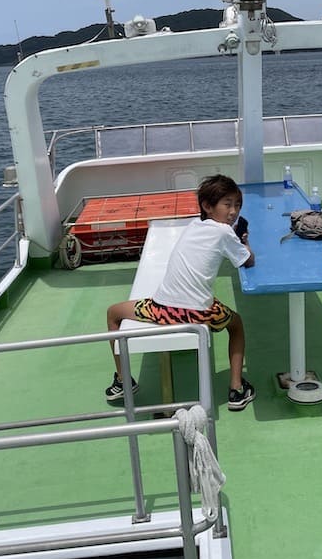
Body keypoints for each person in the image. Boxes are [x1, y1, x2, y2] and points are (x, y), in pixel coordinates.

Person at [105, 175, 257, 411]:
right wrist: (244, 242)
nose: (233, 211)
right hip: (198, 314)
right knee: (236, 324)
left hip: (161, 309)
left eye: (237, 205)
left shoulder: (195, 224)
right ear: (208, 206)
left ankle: (124, 381)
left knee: (114, 312)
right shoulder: (226, 234)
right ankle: (236, 390)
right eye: (227, 204)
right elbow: (248, 261)